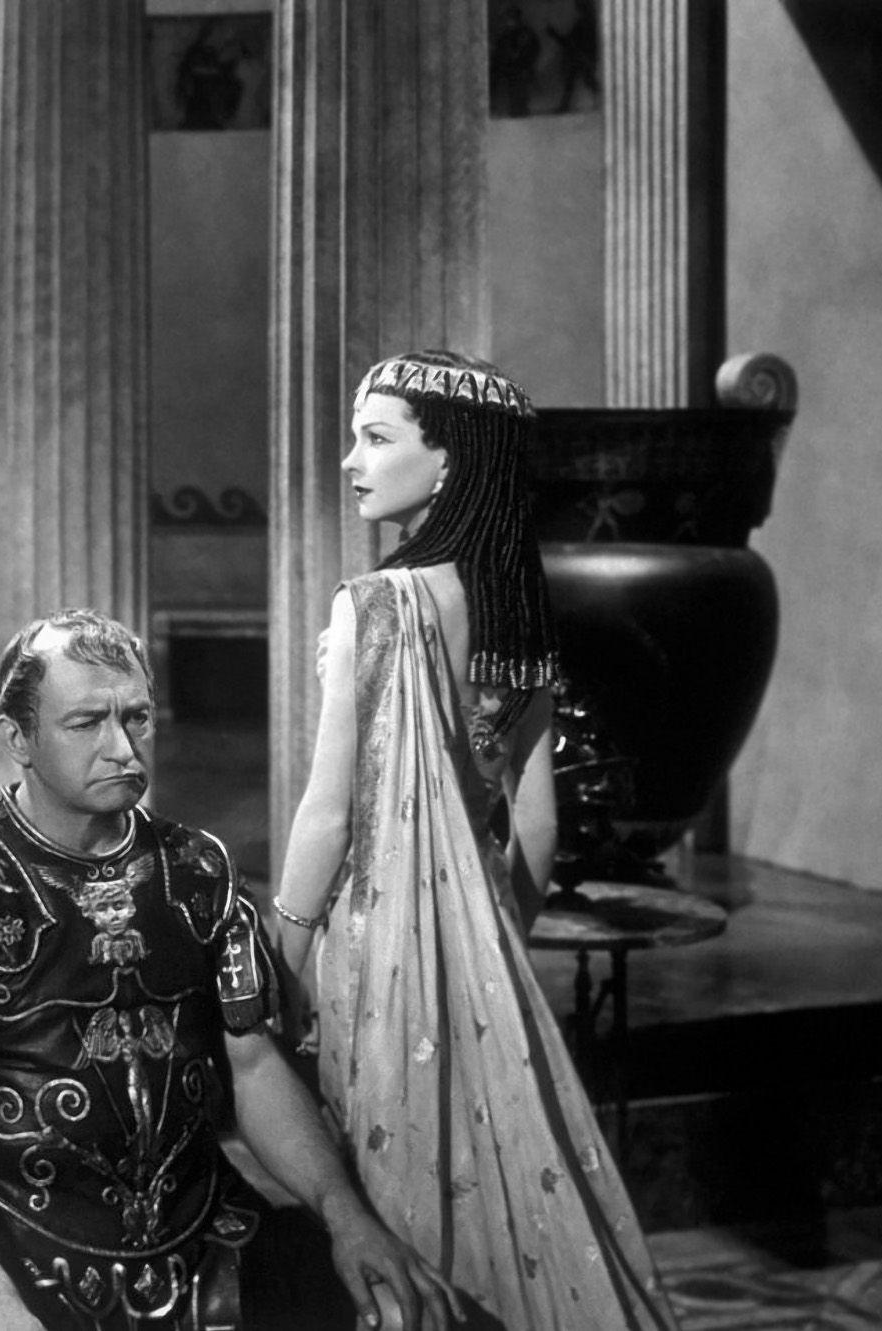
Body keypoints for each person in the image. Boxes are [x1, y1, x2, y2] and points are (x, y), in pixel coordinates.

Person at [0, 609, 459, 1330]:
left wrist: (345, 1214)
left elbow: (253, 1067)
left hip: (203, 1246)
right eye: (86, 723)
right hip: (10, 1256)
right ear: (18, 738)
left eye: (137, 718)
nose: (123, 749)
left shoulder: (196, 867)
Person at [271, 350, 677, 1328]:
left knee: (392, 1201)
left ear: (451, 459)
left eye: (376, 438)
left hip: (374, 945)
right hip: (484, 941)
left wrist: (281, 950)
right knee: (492, 1186)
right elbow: (536, 819)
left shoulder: (377, 604)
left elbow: (330, 811)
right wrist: (494, 940)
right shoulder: (514, 610)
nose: (350, 461)